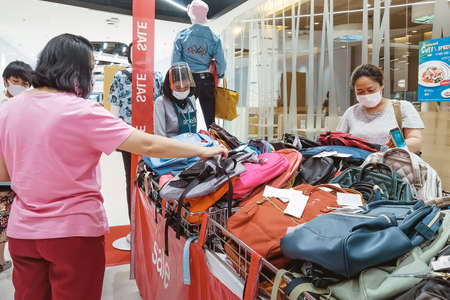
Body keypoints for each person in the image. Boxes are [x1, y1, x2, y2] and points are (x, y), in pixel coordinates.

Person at [0, 33, 227, 300]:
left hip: (23, 233)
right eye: (90, 67)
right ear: (76, 69)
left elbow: (4, 176)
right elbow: (148, 145)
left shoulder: (8, 110)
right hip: (74, 232)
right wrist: (202, 149)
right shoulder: (82, 111)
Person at [108, 42, 164, 225]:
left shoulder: (150, 76)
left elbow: (115, 107)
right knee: (144, 178)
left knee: (135, 178)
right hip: (142, 136)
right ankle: (141, 225)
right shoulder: (152, 75)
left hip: (133, 136)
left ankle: (140, 225)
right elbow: (160, 106)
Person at [337, 64, 424, 153]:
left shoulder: (402, 108)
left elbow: (416, 141)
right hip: (359, 165)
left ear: (382, 84)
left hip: (392, 164)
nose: (366, 95)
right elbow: (339, 142)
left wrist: (398, 145)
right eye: (360, 91)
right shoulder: (351, 113)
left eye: (371, 90)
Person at [172, 0, 226, 128]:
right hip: (206, 80)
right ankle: (214, 145)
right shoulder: (214, 38)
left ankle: (186, 143)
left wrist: (177, 81)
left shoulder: (182, 36)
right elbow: (221, 63)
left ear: (191, 14)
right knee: (210, 120)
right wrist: (220, 75)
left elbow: (175, 63)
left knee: (185, 116)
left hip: (187, 80)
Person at [154, 62, 198, 137]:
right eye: (178, 87)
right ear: (169, 86)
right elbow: (160, 136)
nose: (182, 90)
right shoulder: (161, 102)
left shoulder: (191, 99)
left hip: (191, 146)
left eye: (186, 87)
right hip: (171, 147)